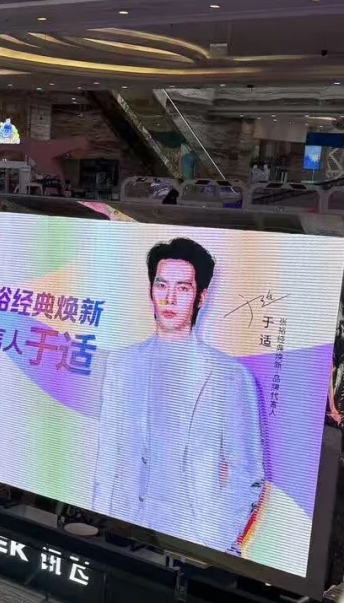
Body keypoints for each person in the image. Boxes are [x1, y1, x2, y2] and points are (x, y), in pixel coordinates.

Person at [91, 237, 265, 556]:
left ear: (201, 297)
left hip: (193, 541)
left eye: (183, 288)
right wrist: (102, 524)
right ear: (150, 290)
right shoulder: (121, 364)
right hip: (124, 532)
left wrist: (210, 541)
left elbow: (247, 474)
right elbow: (108, 456)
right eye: (161, 285)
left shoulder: (230, 376)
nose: (169, 299)